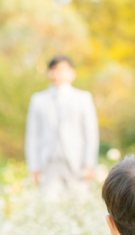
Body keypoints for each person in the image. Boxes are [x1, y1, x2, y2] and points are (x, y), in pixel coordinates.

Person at [25, 56, 99, 194]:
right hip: (48, 163)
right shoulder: (38, 100)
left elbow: (91, 133)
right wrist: (33, 166)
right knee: (48, 206)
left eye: (63, 70)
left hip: (76, 162)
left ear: (72, 73)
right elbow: (32, 135)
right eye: (54, 70)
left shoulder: (83, 98)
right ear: (49, 73)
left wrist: (89, 164)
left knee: (79, 206)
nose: (58, 74)